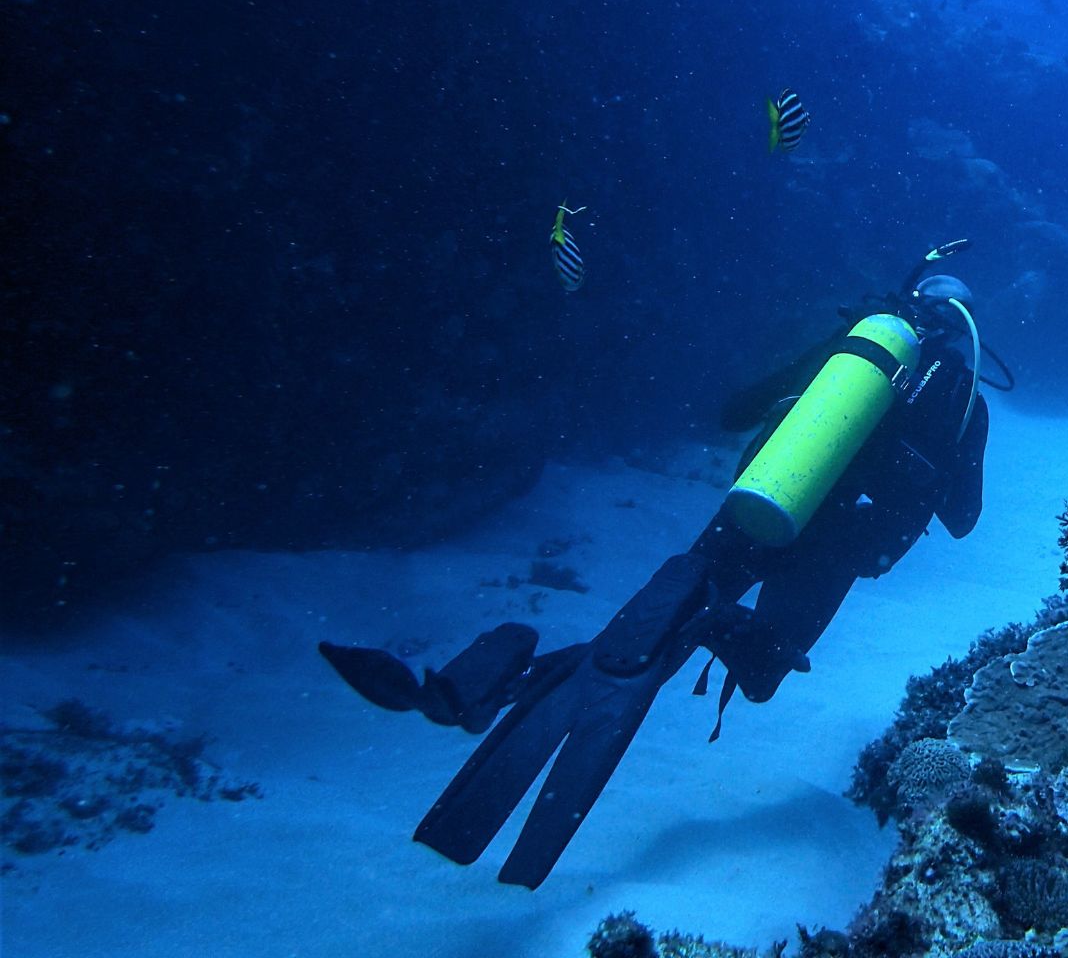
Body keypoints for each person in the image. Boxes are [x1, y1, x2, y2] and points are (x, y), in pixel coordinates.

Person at [319, 241, 1002, 888]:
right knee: (761, 670)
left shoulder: (859, 349)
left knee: (635, 641)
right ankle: (707, 625)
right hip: (838, 550)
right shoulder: (967, 403)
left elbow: (733, 412)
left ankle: (488, 683)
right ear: (964, 328)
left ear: (909, 303)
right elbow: (964, 521)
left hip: (756, 513)